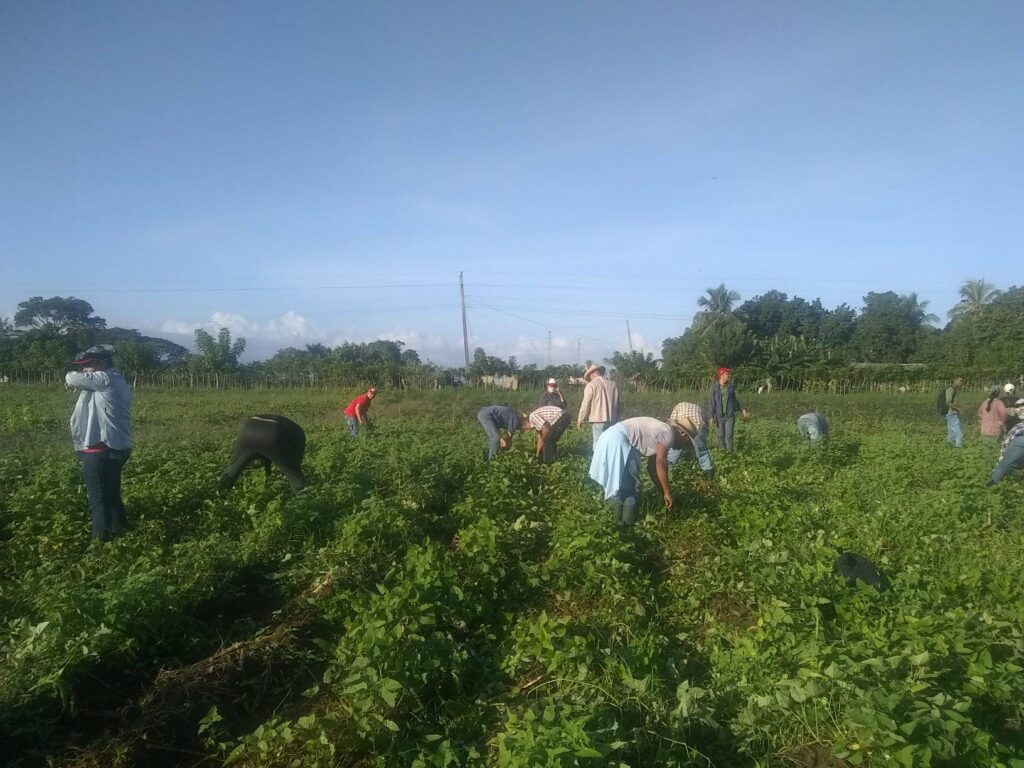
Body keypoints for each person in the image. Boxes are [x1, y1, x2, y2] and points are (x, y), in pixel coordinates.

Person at [65, 345, 133, 541]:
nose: (84, 370)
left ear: (102, 363)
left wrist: (74, 380)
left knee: (98, 501)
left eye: (88, 365)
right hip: (118, 447)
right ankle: (120, 531)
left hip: (100, 449)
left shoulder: (105, 378)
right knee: (112, 494)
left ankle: (100, 543)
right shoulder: (116, 379)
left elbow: (71, 378)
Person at [588, 416, 693, 527]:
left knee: (621, 486)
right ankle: (627, 529)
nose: (682, 448)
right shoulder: (668, 433)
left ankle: (617, 526)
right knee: (632, 489)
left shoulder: (662, 432)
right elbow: (660, 462)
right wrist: (667, 492)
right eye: (686, 444)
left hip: (609, 437)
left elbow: (652, 469)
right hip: (619, 440)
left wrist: (664, 492)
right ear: (683, 433)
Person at [219, 415, 306, 493]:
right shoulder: (299, 435)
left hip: (248, 429)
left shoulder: (290, 429)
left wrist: (268, 473)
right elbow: (293, 465)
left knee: (231, 471)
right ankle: (302, 503)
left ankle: (220, 498)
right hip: (272, 433)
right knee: (296, 478)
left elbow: (266, 453)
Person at [666, 401, 715, 477]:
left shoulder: (678, 406)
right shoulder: (698, 406)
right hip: (699, 427)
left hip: (684, 427)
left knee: (676, 447)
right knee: (702, 451)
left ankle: (669, 469)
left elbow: (673, 423)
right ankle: (709, 472)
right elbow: (705, 422)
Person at [576, 364, 622, 441]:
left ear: (592, 374)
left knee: (598, 446)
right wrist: (617, 418)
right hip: (612, 420)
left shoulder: (591, 385)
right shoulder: (613, 384)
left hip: (598, 420)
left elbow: (585, 404)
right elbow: (619, 404)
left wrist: (580, 419)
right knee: (609, 444)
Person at [708, 367, 748, 452]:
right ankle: (722, 454)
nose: (728, 376)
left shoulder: (730, 387)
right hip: (719, 416)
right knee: (720, 436)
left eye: (728, 374)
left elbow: (735, 400)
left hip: (729, 416)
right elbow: (712, 402)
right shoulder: (714, 387)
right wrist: (711, 416)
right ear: (721, 375)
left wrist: (742, 409)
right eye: (727, 374)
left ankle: (730, 455)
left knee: (729, 436)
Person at [986, 420, 1024, 486]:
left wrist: (1002, 456)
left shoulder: (1019, 426)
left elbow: (1006, 442)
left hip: (1020, 441)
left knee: (1005, 463)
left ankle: (993, 482)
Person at [941, 377, 964, 448]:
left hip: (952, 414)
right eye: (960, 381)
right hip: (951, 413)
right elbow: (948, 402)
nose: (961, 382)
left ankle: (950, 448)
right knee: (958, 433)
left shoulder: (955, 390)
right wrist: (958, 408)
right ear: (955, 380)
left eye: (962, 381)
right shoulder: (951, 389)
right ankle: (958, 448)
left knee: (951, 432)